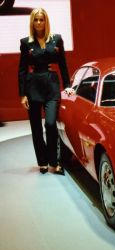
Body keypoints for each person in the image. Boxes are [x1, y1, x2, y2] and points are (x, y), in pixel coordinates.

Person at [18, 8, 70, 175]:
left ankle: (53, 162)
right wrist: (22, 94)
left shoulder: (56, 39)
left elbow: (62, 63)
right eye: (36, 20)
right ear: (32, 22)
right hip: (33, 86)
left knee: (50, 123)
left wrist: (67, 85)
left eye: (41, 19)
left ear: (46, 21)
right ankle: (42, 162)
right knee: (36, 128)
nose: (39, 23)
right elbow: (22, 69)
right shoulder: (26, 43)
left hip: (51, 85)